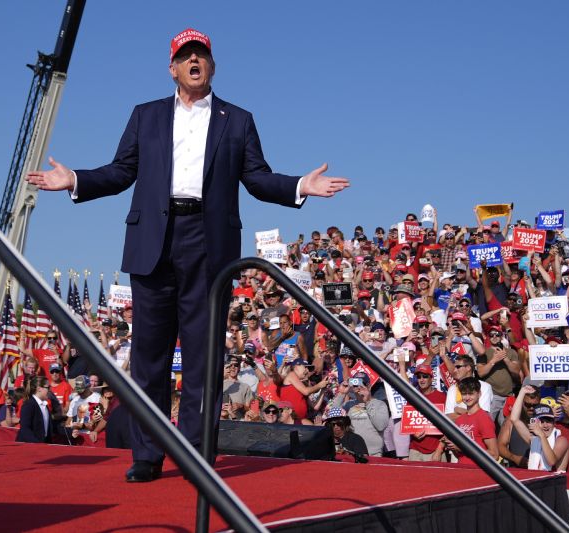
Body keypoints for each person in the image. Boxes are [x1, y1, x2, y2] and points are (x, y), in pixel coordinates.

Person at [26, 28, 349, 482]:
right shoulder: (146, 116)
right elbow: (121, 172)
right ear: (173, 68)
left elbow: (257, 178)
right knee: (149, 358)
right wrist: (75, 180)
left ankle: (198, 457)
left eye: (202, 55)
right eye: (186, 56)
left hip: (209, 241)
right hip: (154, 238)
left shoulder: (237, 120)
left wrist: (300, 186)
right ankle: (147, 454)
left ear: (212, 66)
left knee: (204, 357)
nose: (195, 62)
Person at [443, 377, 498, 464]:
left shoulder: (484, 418)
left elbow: (494, 454)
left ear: (479, 394)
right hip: (462, 469)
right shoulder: (460, 420)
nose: (467, 397)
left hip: (478, 472)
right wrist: (452, 446)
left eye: (471, 394)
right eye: (464, 394)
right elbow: (460, 455)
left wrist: (462, 447)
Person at [17, 376, 53, 444]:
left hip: (41, 446)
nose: (50, 390)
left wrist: (71, 431)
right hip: (29, 447)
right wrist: (37, 444)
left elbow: (49, 426)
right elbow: (25, 429)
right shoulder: (29, 405)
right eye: (48, 387)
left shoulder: (45, 405)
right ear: (39, 389)